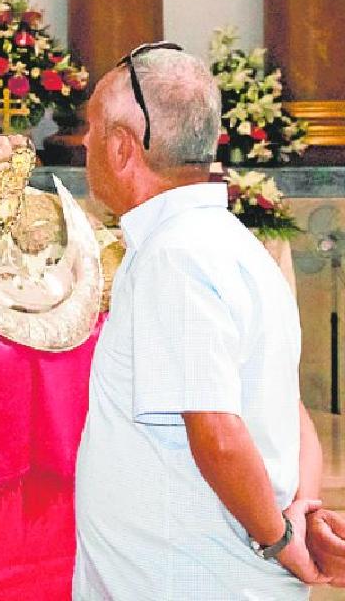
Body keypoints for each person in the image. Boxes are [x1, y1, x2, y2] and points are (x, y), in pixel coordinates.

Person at [73, 43, 328, 599]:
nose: (83, 141)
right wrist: (298, 515)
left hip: (184, 580)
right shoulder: (236, 244)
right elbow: (295, 413)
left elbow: (217, 432)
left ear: (121, 149)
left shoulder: (177, 256)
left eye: (91, 126)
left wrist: (279, 539)